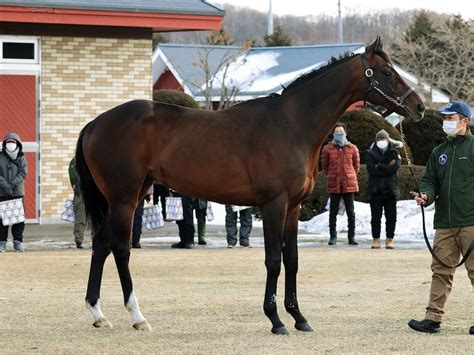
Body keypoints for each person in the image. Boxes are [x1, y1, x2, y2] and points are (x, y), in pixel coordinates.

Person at [408, 101, 474, 335]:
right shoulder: (439, 152)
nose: (446, 122)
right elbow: (430, 180)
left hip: (471, 222)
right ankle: (432, 319)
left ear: (464, 121)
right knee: (441, 270)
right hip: (444, 223)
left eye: (451, 118)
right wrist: (426, 195)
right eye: (444, 118)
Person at [321, 122, 360, 245]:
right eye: (337, 132)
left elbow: (356, 166)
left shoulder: (352, 148)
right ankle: (333, 236)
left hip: (348, 182)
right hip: (334, 183)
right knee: (333, 212)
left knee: (351, 212)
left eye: (341, 132)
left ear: (345, 133)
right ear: (333, 133)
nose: (339, 134)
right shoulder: (327, 149)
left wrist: (350, 175)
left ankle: (351, 236)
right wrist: (331, 175)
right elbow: (325, 166)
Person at [366, 129, 402, 249]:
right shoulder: (371, 153)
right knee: (375, 217)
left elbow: (394, 168)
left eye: (383, 139)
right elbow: (371, 170)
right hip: (375, 190)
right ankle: (376, 239)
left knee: (391, 217)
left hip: (390, 190)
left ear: (388, 140)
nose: (381, 141)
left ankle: (390, 239)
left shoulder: (394, 152)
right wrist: (386, 165)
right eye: (379, 139)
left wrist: (379, 165)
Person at [0, 133, 27, 253]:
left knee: (18, 220)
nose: (11, 144)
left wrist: (12, 185)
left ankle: (17, 242)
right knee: (1, 220)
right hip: (2, 192)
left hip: (17, 192)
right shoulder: (0, 156)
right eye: (9, 142)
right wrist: (5, 186)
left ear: (18, 143)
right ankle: (2, 242)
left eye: (13, 142)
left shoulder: (21, 157)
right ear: (5, 143)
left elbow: (23, 172)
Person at [68, 157, 88, 249]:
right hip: (80, 192)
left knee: (94, 219)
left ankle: (96, 238)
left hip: (92, 193)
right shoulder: (76, 161)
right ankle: (79, 240)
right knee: (81, 217)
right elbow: (73, 177)